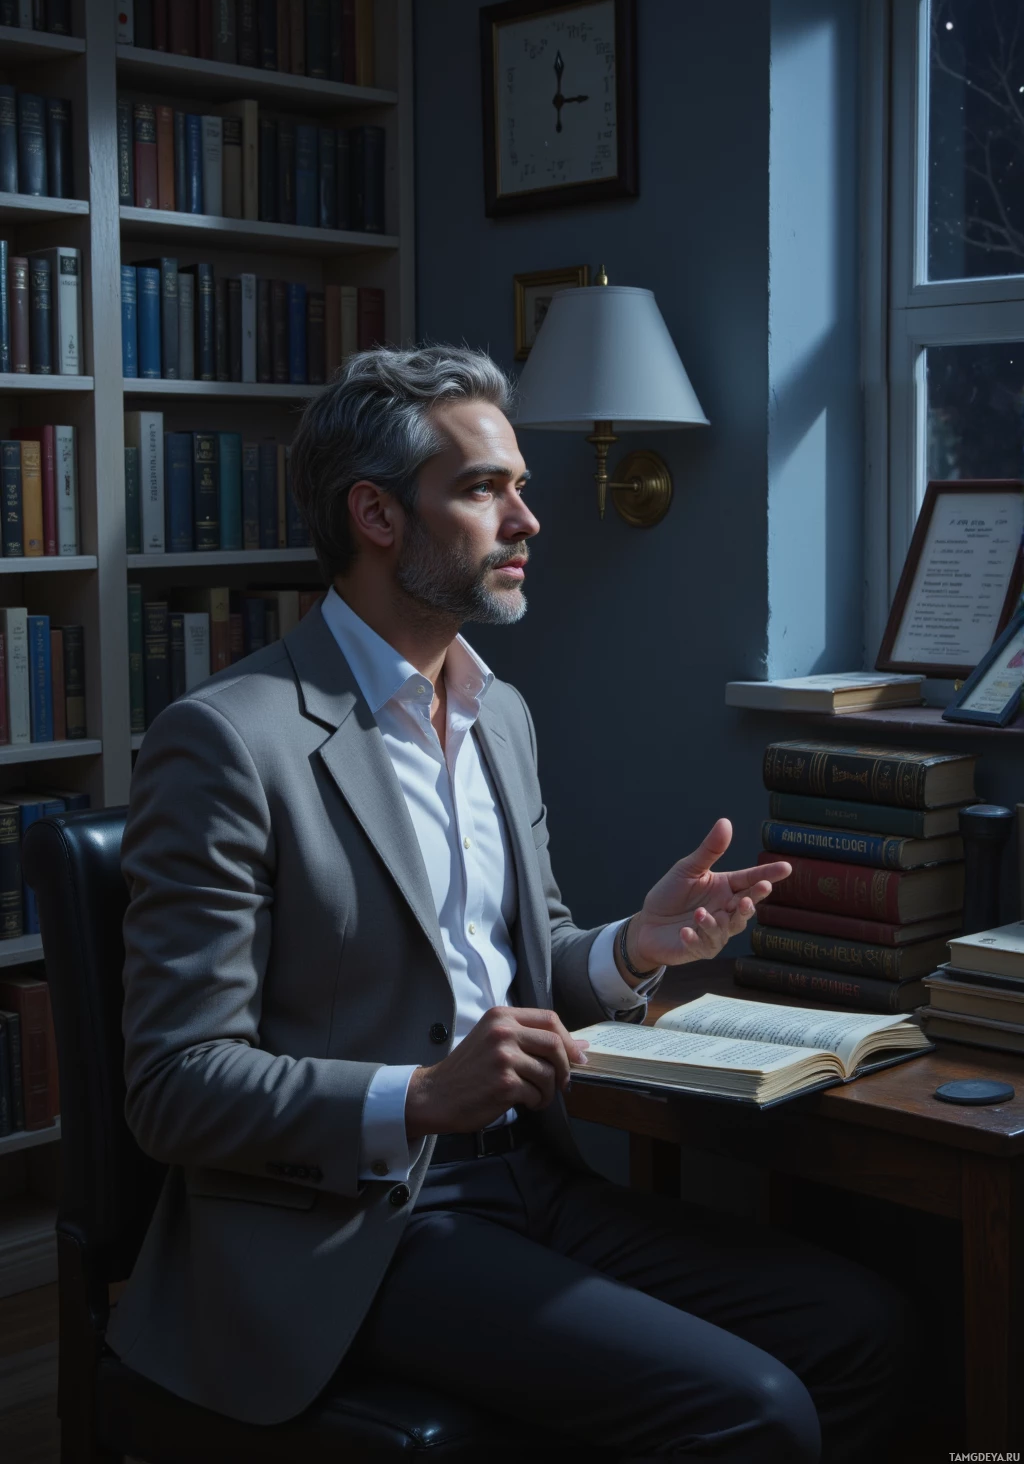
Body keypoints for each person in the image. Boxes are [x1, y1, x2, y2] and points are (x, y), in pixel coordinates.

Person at [109, 346, 908, 1462]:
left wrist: (633, 949)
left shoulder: (502, 715)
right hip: (351, 1231)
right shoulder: (229, 741)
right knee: (754, 1407)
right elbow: (174, 1088)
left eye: (518, 485)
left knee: (858, 1326)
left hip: (531, 1176)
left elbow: (517, 979)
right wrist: (422, 1095)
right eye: (486, 489)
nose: (528, 519)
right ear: (377, 514)